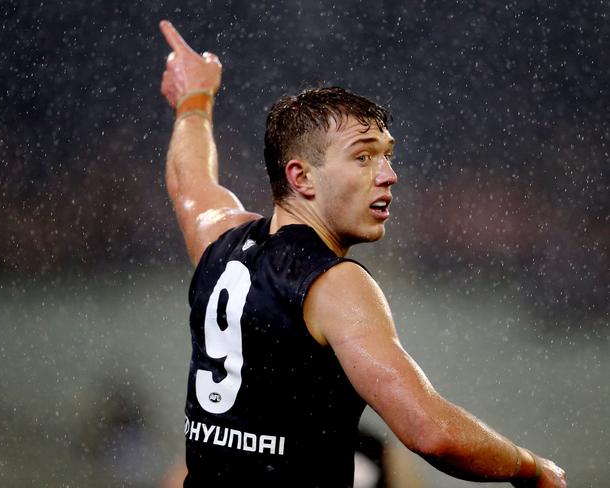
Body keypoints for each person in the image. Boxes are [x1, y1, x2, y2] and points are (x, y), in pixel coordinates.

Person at [158, 19, 567, 488]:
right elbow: (429, 432)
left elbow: (188, 182)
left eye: (388, 155)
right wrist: (531, 468)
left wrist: (194, 100)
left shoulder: (218, 240)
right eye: (364, 156)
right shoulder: (334, 285)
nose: (388, 174)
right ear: (301, 177)